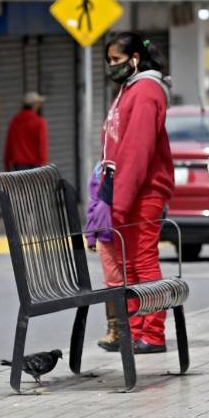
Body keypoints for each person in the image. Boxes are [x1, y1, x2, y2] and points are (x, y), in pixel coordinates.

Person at [101, 32, 174, 354]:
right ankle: (135, 330)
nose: (111, 67)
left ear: (133, 59)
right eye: (109, 61)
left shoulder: (145, 90)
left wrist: (121, 200)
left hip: (142, 191)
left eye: (116, 60)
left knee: (143, 261)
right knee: (130, 263)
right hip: (129, 190)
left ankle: (153, 334)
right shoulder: (130, 89)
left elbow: (137, 149)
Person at [85, 162, 123, 351]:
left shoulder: (127, 165)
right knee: (112, 282)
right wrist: (91, 234)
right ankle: (115, 330)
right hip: (106, 234)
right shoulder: (100, 170)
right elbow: (93, 202)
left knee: (132, 279)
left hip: (127, 231)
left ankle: (134, 328)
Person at [3, 91, 48, 170]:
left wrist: (7, 165)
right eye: (38, 103)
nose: (39, 106)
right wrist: (43, 166)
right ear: (34, 105)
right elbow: (42, 147)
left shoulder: (14, 122)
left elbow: (9, 146)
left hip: (18, 167)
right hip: (35, 167)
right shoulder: (39, 122)